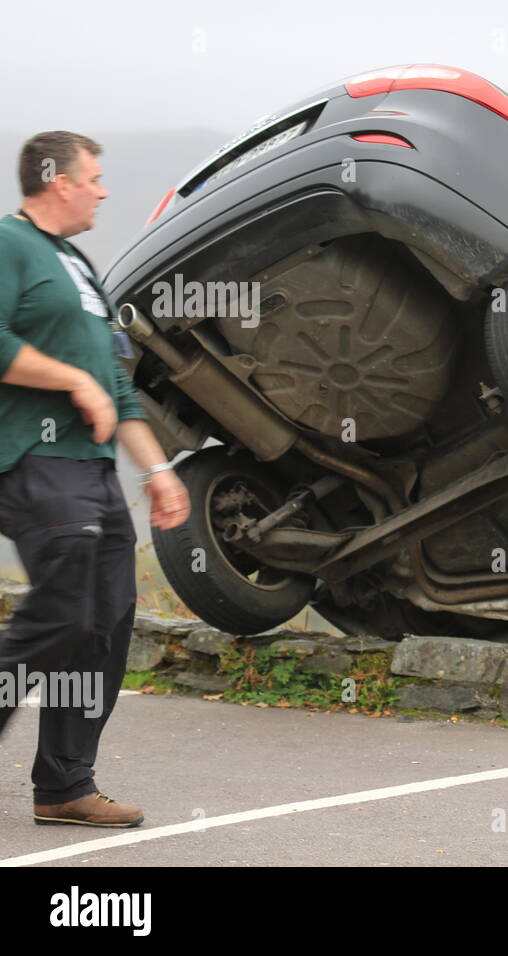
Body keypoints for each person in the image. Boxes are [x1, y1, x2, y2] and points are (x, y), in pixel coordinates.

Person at [0, 131, 189, 828]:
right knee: (66, 611)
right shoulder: (10, 245)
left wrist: (160, 470)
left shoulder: (79, 266)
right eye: (95, 178)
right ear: (57, 181)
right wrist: (69, 378)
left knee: (105, 626)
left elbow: (118, 385)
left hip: (94, 473)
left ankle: (64, 786)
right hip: (32, 458)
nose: (105, 191)